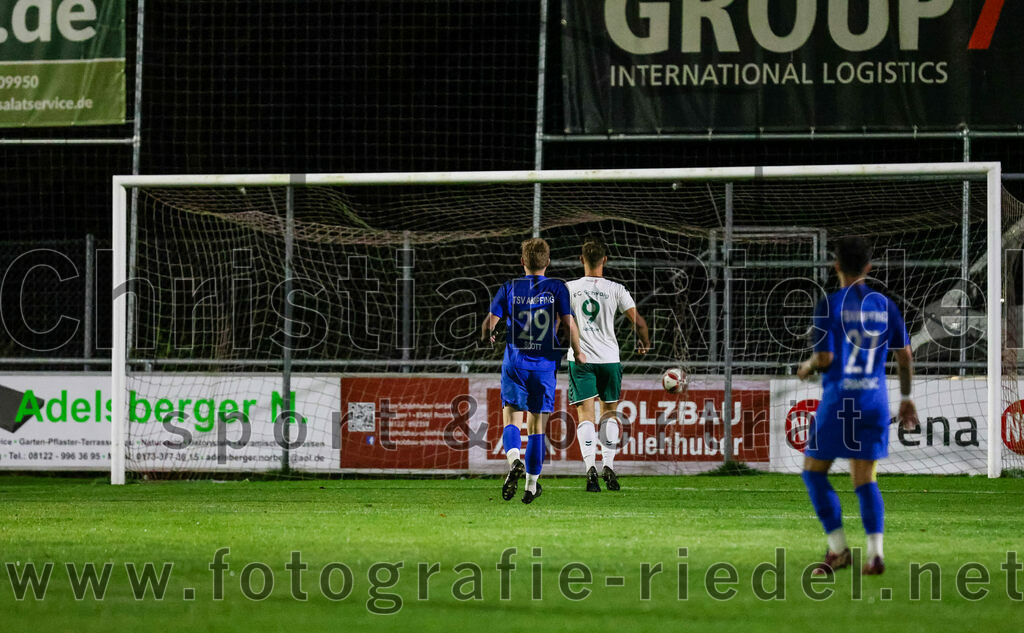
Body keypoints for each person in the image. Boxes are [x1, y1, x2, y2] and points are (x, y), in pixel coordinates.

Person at [796, 236, 919, 576]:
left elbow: (825, 357)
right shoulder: (885, 304)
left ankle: (838, 550)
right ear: (868, 268)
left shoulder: (830, 304)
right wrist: (906, 398)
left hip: (840, 403)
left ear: (835, 266)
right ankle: (875, 554)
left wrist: (807, 367)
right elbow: (905, 356)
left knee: (813, 472)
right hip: (874, 402)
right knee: (865, 480)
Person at [481, 238, 586, 504]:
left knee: (511, 420)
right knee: (537, 427)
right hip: (544, 366)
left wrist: (489, 334)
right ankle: (530, 486)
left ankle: (514, 459)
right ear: (547, 262)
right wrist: (578, 350)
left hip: (514, 364)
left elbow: (488, 325)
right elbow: (569, 324)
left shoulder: (509, 288)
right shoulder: (557, 288)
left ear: (522, 262)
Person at [567, 237, 650, 492]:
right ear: (605, 259)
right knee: (609, 415)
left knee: (585, 417)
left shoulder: (569, 288)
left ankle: (590, 469)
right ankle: (609, 466)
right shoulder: (617, 289)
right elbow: (639, 323)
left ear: (581, 259)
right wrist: (644, 343)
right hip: (609, 359)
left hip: (581, 358)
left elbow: (559, 322)